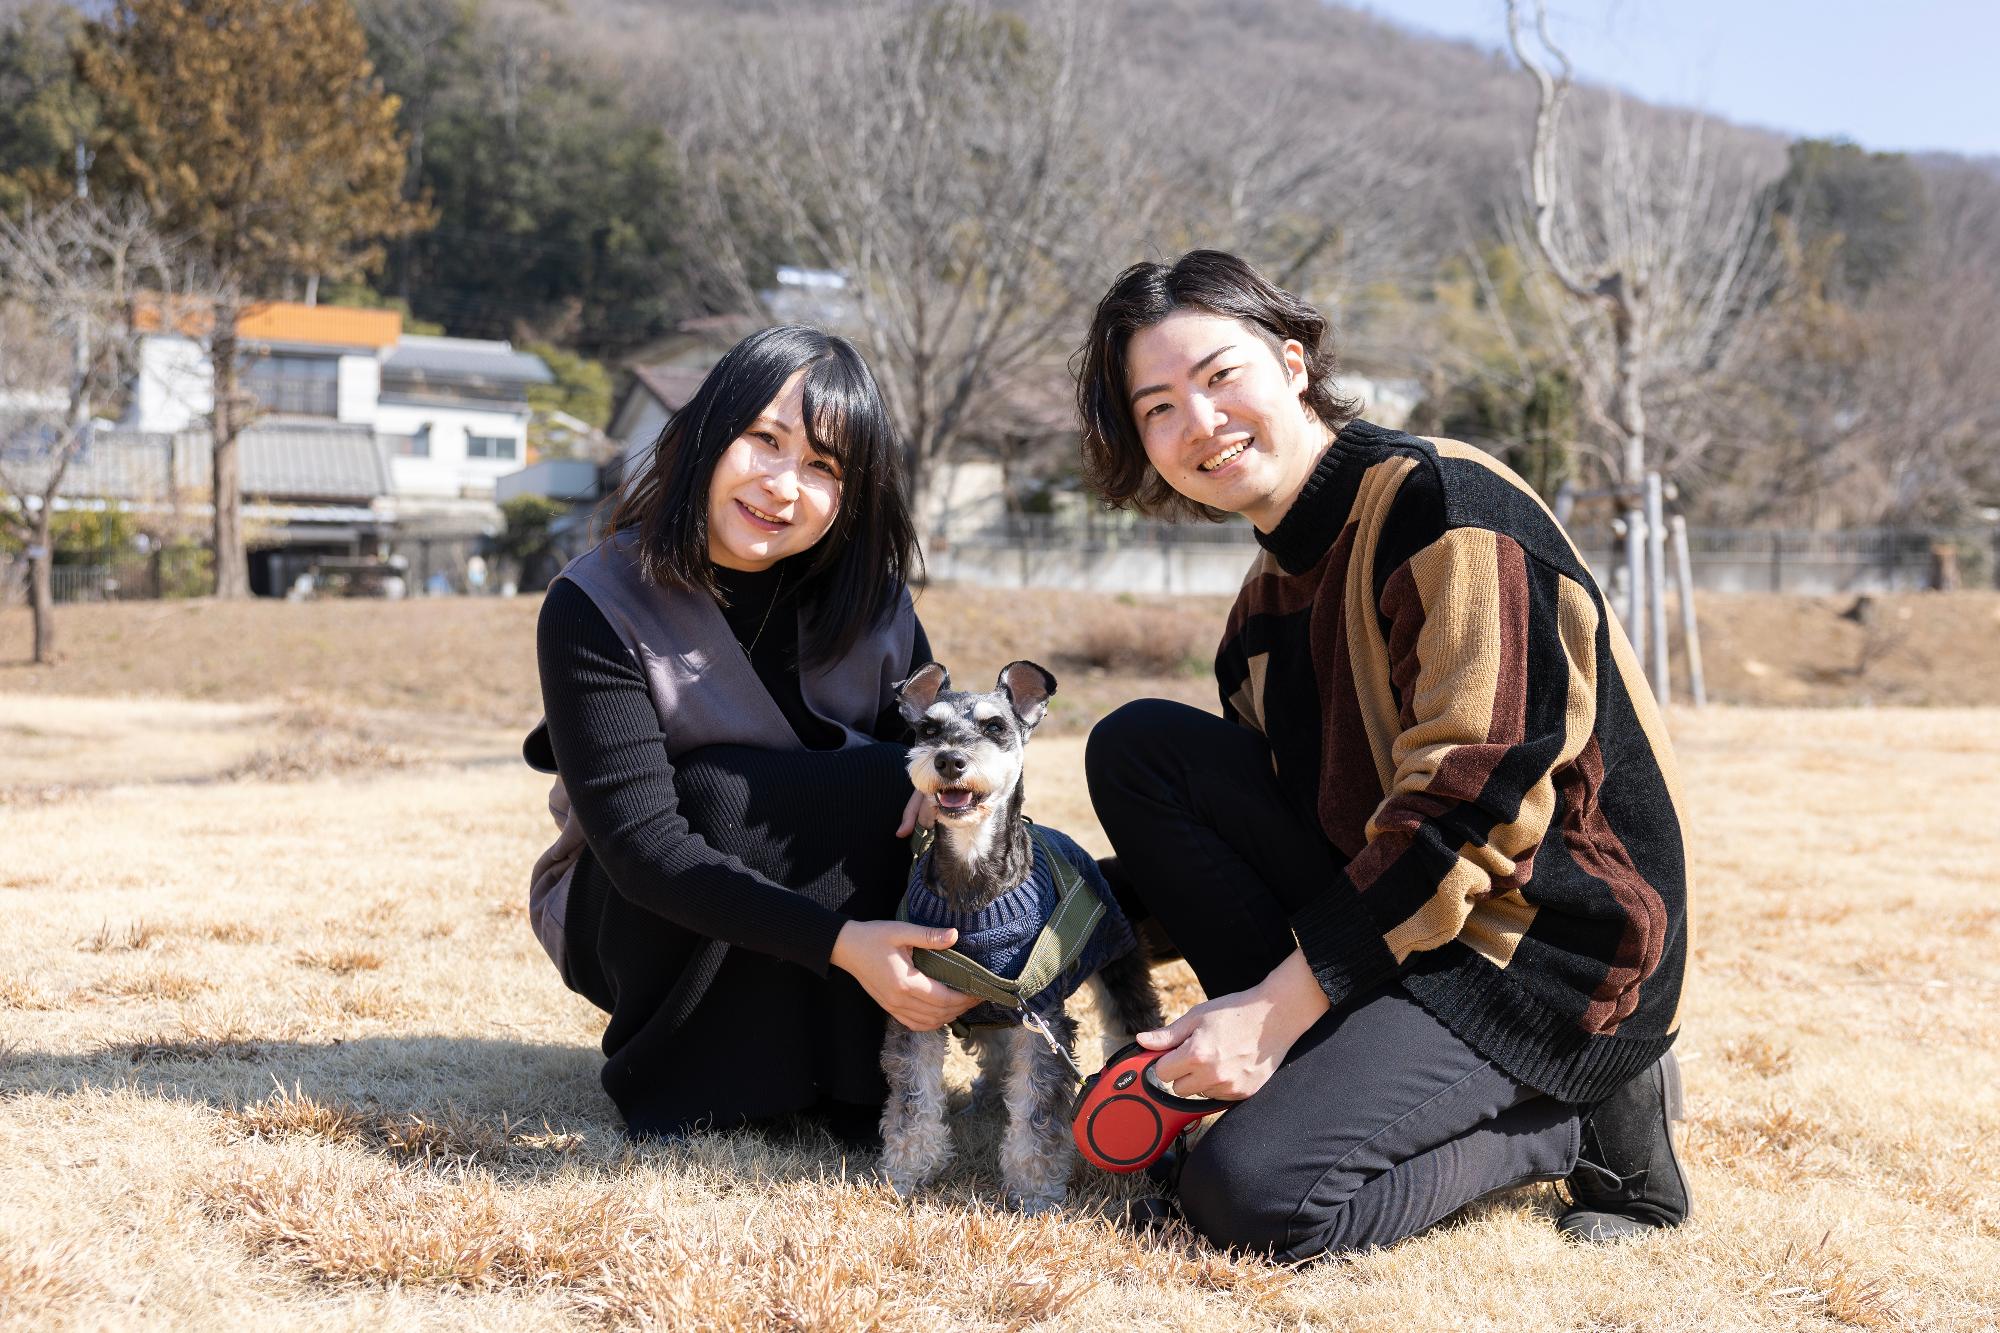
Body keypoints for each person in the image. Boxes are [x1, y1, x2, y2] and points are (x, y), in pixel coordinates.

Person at [1074, 251, 1693, 1258]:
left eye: (1219, 375)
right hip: (1404, 924)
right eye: (1156, 407)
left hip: (1540, 944)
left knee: (1251, 1198)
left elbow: (1471, 803)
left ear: (1289, 362)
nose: (1198, 422)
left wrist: (1272, 1013)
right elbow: (1256, 835)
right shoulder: (1261, 608)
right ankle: (1340, 1072)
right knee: (1139, 747)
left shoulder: (1439, 506)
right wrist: (1038, 928)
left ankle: (1577, 1116)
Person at [525, 325, 977, 1143]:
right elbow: (642, 846)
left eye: (822, 466)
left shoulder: (875, 604)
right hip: (632, 903)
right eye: (764, 440)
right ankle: (687, 1077)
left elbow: (935, 768)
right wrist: (842, 943)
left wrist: (934, 802)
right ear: (708, 430)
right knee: (719, 794)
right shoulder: (596, 601)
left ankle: (848, 1082)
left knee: (894, 783)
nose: (782, 485)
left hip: (822, 907)